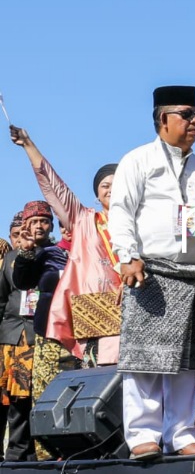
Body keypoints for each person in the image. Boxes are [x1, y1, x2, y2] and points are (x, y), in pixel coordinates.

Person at [108, 85, 195, 460]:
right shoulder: (138, 160)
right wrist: (127, 255)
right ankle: (143, 435)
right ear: (162, 120)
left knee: (188, 363)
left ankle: (182, 435)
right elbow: (121, 210)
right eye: (186, 114)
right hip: (152, 271)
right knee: (145, 359)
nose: (194, 121)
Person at [10, 126, 122, 367]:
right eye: (105, 185)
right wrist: (29, 146)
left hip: (135, 306)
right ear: (97, 195)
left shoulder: (143, 222)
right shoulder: (84, 220)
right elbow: (54, 188)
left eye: (118, 183)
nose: (111, 189)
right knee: (100, 376)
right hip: (95, 310)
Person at [12, 200, 75, 460]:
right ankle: (48, 453)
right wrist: (26, 253)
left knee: (77, 393)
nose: (40, 226)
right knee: (47, 393)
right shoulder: (38, 254)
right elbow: (22, 281)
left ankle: (78, 449)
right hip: (48, 332)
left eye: (45, 221)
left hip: (80, 333)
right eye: (34, 221)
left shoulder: (70, 251)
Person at [0, 213, 36, 460]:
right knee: (13, 399)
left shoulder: (50, 255)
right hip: (11, 337)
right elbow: (2, 300)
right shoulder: (8, 261)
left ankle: (30, 454)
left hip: (38, 335)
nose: (19, 240)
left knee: (32, 398)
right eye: (14, 236)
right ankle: (15, 453)